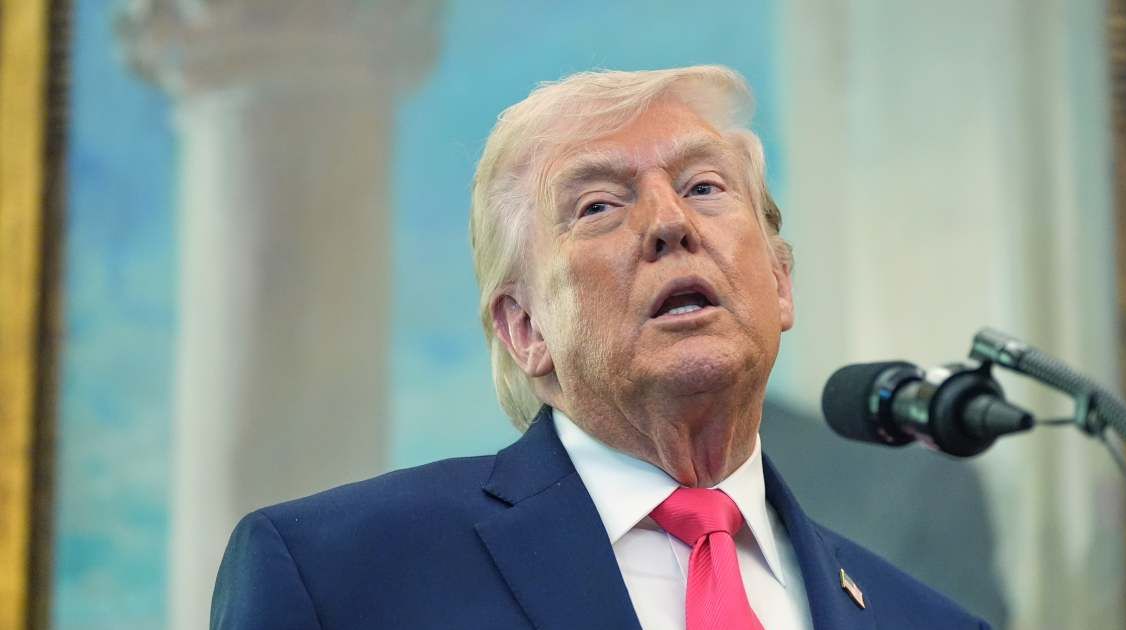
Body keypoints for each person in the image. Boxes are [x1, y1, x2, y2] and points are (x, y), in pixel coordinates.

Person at [211, 65, 991, 629]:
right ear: (526, 330)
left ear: (780, 285)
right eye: (598, 204)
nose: (668, 223)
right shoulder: (337, 574)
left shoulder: (923, 621)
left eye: (705, 188)